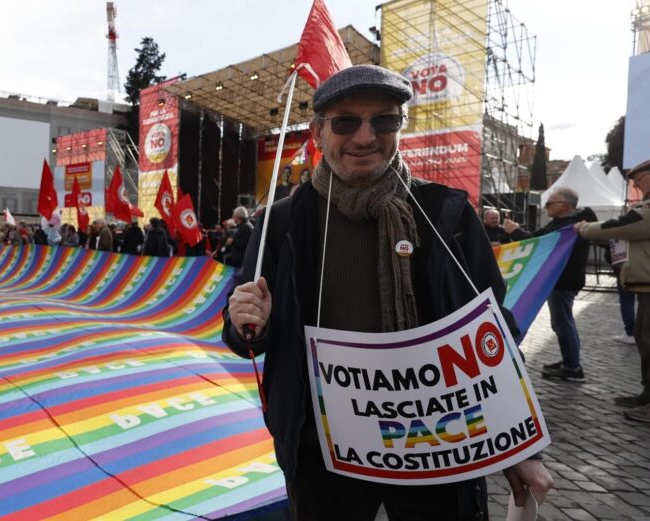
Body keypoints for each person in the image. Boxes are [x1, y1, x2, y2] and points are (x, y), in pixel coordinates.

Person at [223, 65, 551, 519]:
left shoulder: (446, 214)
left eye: (384, 120)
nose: (364, 137)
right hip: (320, 445)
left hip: (439, 440)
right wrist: (246, 325)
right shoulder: (282, 221)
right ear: (319, 132)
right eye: (345, 122)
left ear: (400, 126)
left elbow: (493, 329)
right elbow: (246, 334)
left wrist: (521, 445)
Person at [576, 158, 650, 422]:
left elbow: (624, 226)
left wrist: (585, 228)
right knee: (644, 339)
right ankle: (646, 394)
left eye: (640, 180)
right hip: (645, 285)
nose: (637, 186)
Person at [504, 187, 597, 381]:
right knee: (562, 322)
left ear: (564, 205)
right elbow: (536, 239)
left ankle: (572, 367)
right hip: (559, 279)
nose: (546, 206)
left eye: (549, 203)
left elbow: (535, 243)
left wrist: (515, 231)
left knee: (562, 323)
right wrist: (517, 232)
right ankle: (570, 361)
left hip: (563, 280)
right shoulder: (561, 223)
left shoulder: (570, 226)